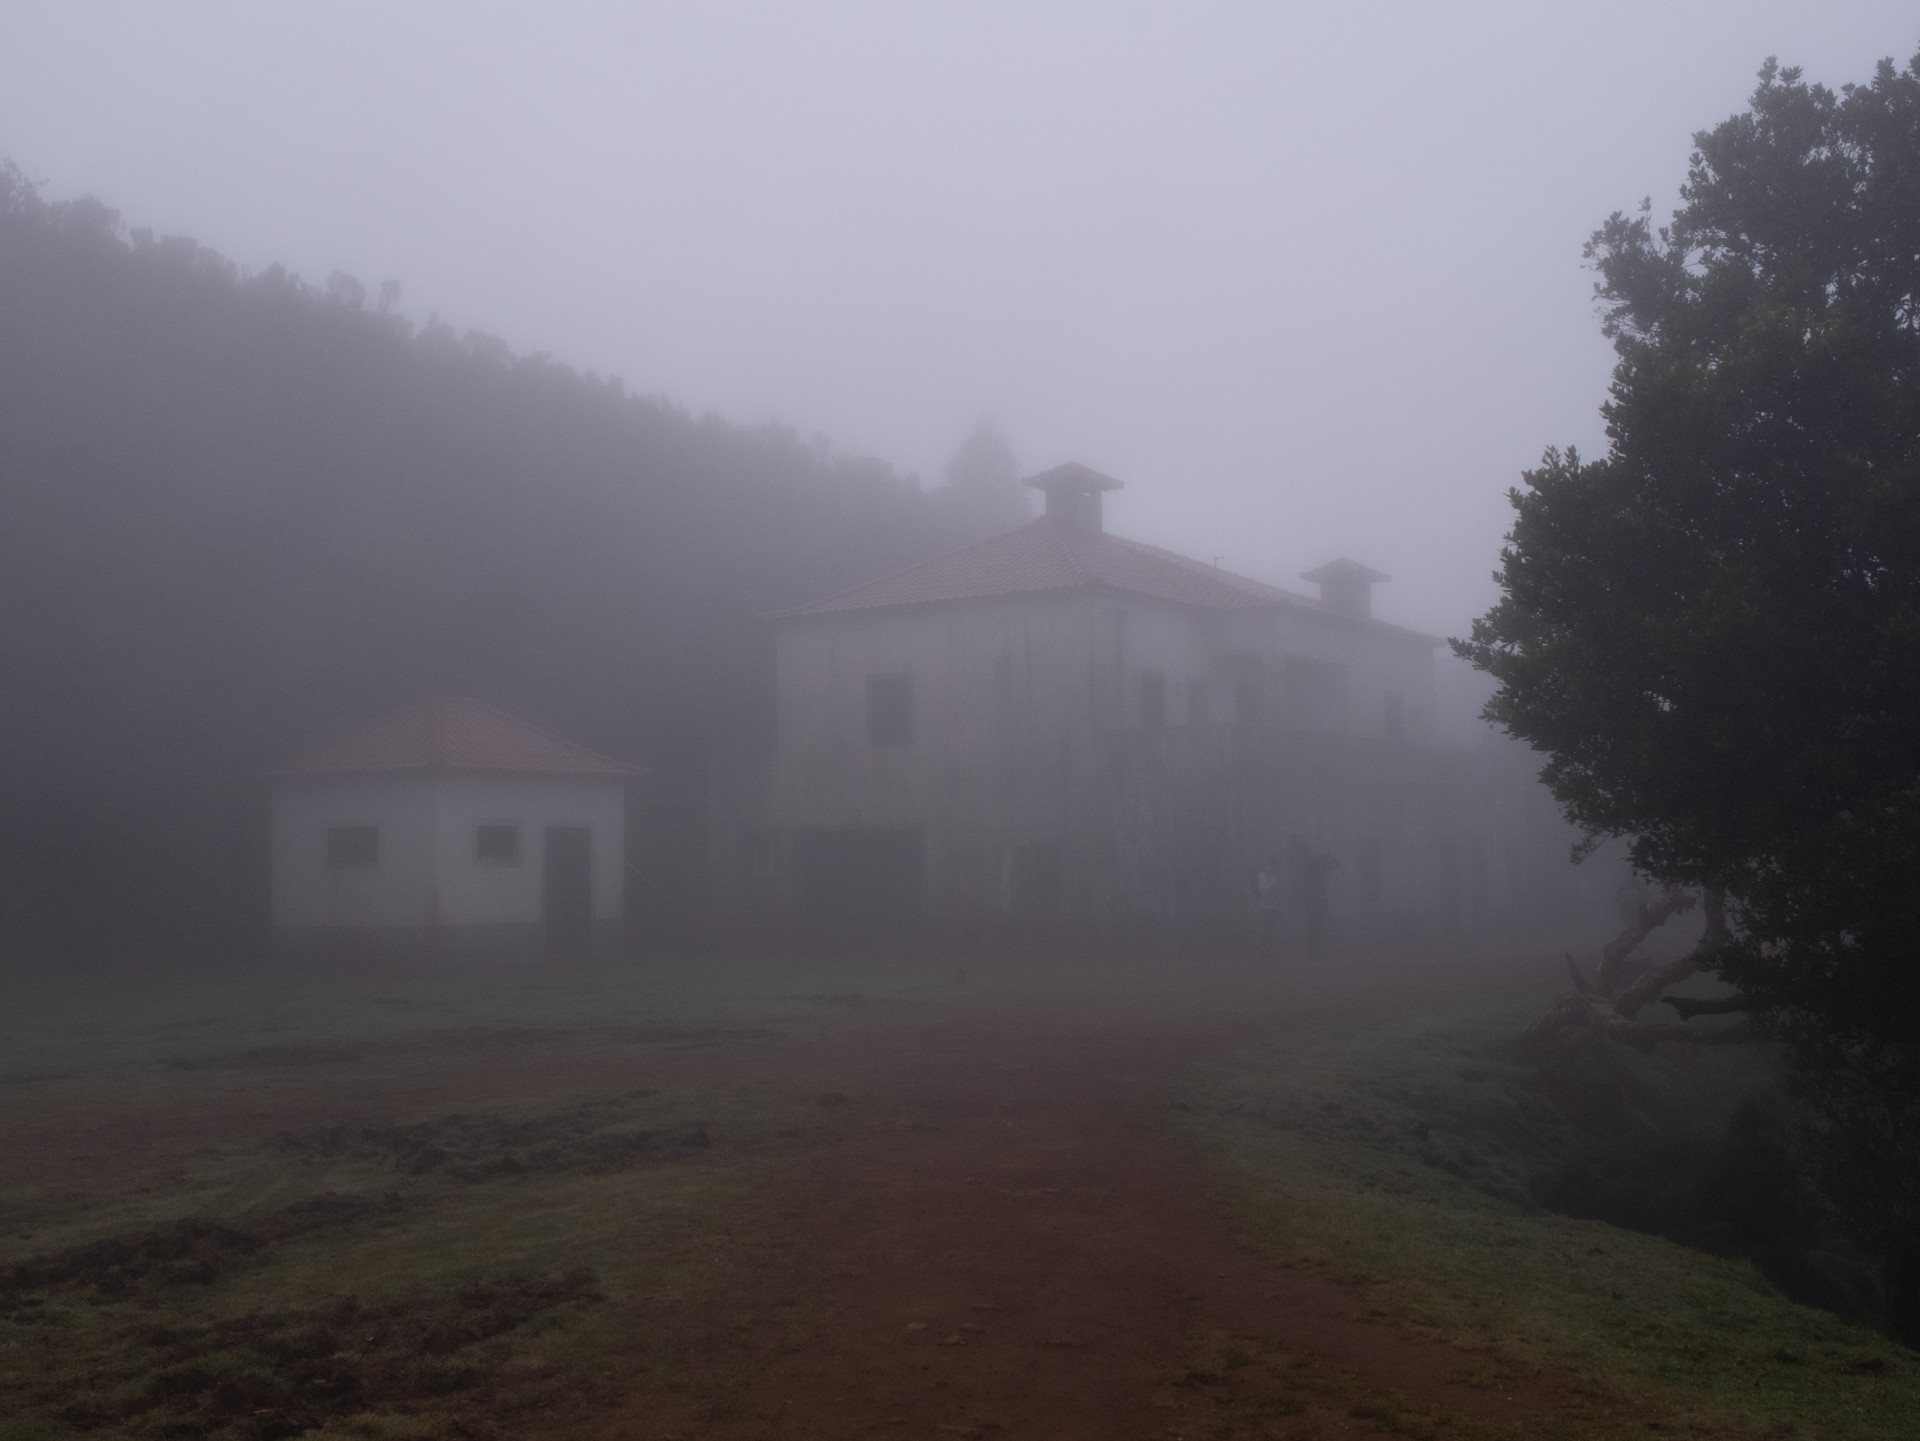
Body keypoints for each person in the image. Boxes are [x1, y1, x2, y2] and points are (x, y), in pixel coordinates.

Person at [1254, 856, 1286, 957]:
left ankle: (1268, 952)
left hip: (1274, 907)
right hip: (1266, 907)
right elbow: (1263, 890)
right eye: (1275, 866)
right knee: (1267, 931)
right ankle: (1268, 953)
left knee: (1270, 930)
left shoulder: (1273, 875)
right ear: (1270, 865)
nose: (1276, 869)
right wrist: (1272, 883)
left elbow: (1277, 892)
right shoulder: (1263, 875)